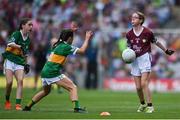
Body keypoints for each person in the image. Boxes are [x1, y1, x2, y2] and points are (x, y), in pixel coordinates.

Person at [23, 29, 93, 113]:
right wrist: (87, 38)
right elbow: (82, 51)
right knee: (73, 87)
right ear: (70, 38)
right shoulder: (66, 47)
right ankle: (77, 108)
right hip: (52, 72)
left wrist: (71, 30)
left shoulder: (58, 44)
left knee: (46, 91)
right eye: (72, 38)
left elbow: (65, 37)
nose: (73, 39)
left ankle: (28, 106)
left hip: (45, 71)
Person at [126, 11, 174, 113]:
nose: (132, 20)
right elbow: (128, 48)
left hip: (145, 58)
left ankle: (150, 106)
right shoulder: (129, 34)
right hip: (135, 60)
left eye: (135, 18)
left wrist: (166, 50)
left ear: (141, 20)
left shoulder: (148, 32)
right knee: (138, 87)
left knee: (144, 83)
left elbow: (156, 42)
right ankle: (142, 104)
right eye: (132, 18)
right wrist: (127, 56)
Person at [2, 18, 33, 110]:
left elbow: (25, 53)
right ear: (23, 25)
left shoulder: (28, 39)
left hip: (19, 62)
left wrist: (26, 64)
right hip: (10, 60)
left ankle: (18, 105)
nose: (31, 26)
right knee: (9, 82)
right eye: (29, 24)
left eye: (32, 25)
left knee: (20, 81)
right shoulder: (16, 34)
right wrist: (19, 46)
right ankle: (7, 100)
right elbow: (10, 43)